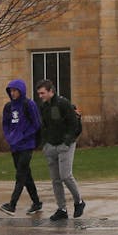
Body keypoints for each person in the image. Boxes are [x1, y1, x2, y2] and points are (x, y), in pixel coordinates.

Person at [36, 79, 85, 221]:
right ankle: (61, 209)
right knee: (55, 180)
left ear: (51, 91)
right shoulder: (43, 107)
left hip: (65, 145)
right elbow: (43, 127)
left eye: (42, 93)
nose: (40, 96)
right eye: (39, 93)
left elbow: (74, 125)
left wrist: (67, 142)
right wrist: (44, 144)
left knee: (66, 176)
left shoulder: (63, 104)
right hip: (51, 146)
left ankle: (79, 201)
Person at [0, 80, 44, 215]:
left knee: (20, 174)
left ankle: (12, 205)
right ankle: (36, 203)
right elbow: (5, 124)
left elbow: (36, 124)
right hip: (15, 145)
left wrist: (23, 135)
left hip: (27, 144)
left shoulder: (29, 104)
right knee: (26, 175)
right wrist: (10, 136)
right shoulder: (8, 107)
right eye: (11, 90)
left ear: (21, 91)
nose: (13, 93)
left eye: (15, 90)